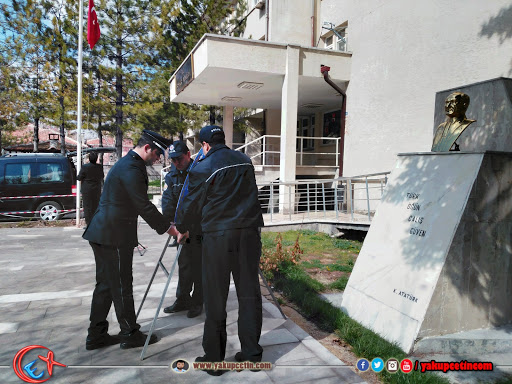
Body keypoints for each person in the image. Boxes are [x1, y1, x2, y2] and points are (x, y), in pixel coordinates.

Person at [175, 125, 264, 376]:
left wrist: (182, 226)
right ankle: (252, 354)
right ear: (223, 141)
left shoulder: (202, 167)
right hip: (248, 233)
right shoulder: (245, 161)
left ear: (204, 146)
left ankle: (214, 359)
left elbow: (189, 205)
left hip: (218, 237)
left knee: (216, 296)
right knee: (249, 294)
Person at [83, 129, 177, 351]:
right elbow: (142, 205)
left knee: (105, 285)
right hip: (113, 235)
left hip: (104, 233)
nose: (157, 159)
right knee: (122, 285)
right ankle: (130, 333)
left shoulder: (128, 164)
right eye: (156, 155)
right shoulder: (131, 168)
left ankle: (96, 335)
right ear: (147, 148)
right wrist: (168, 229)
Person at [161, 140, 203, 319]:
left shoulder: (198, 172)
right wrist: (170, 221)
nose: (176, 162)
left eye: (179, 158)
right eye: (173, 160)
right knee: (184, 264)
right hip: (181, 227)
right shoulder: (172, 175)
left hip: (198, 227)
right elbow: (169, 197)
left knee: (199, 266)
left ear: (188, 154)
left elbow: (198, 202)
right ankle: (183, 299)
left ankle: (198, 300)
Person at [77, 151, 104, 227]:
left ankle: (89, 224)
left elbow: (79, 177)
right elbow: (102, 176)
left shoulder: (85, 167)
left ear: (89, 158)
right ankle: (96, 223)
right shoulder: (99, 167)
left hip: (87, 189)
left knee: (87, 207)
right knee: (95, 206)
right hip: (96, 189)